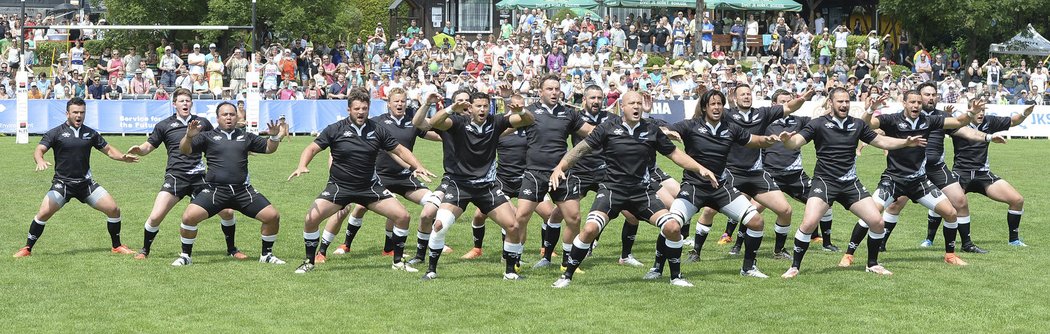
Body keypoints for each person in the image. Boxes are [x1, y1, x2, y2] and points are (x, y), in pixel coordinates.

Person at [549, 90, 716, 288]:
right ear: (623, 106)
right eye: (632, 103)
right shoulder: (608, 127)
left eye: (639, 103)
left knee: (673, 227)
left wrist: (700, 168)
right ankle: (566, 276)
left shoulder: (651, 129)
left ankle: (676, 277)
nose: (636, 106)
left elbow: (675, 154)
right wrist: (560, 167)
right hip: (612, 190)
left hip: (641, 192)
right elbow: (580, 149)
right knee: (590, 229)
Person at [778, 88, 926, 278]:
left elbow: (882, 142)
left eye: (847, 101)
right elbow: (795, 142)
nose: (844, 105)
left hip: (850, 184)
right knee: (808, 223)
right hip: (825, 182)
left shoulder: (857, 125)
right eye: (840, 101)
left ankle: (872, 264)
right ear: (830, 103)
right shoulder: (818, 124)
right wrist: (786, 141)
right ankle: (794, 267)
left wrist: (905, 142)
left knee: (877, 222)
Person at [288, 88, 435, 274]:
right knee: (311, 219)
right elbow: (311, 148)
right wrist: (302, 165)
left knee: (403, 216)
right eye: (357, 108)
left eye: (364, 108)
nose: (361, 112)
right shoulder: (335, 129)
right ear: (349, 109)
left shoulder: (377, 130)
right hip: (340, 187)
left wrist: (417, 166)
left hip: (369, 188)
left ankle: (398, 261)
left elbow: (400, 150)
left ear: (368, 108)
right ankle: (309, 261)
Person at [842, 90, 977, 268]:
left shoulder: (928, 121)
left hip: (919, 181)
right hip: (893, 180)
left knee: (951, 213)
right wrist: (870, 110)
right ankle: (849, 254)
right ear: (904, 103)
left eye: (919, 103)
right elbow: (866, 125)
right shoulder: (892, 120)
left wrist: (971, 113)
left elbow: (959, 122)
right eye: (912, 102)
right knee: (871, 215)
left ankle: (950, 255)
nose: (916, 106)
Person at [661, 90, 780, 279]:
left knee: (756, 221)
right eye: (712, 104)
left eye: (719, 104)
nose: (716, 108)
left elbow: (753, 140)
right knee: (672, 225)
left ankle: (748, 268)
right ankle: (658, 268)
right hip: (694, 187)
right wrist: (668, 132)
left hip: (721, 188)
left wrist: (769, 140)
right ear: (704, 107)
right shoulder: (691, 126)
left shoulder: (730, 128)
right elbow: (663, 127)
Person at [420, 91, 536, 281]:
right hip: (460, 185)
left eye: (485, 106)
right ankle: (431, 270)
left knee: (513, 226)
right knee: (439, 225)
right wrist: (450, 108)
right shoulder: (458, 123)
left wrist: (522, 111)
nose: (482, 109)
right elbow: (432, 123)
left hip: (486, 187)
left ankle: (510, 272)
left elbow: (528, 121)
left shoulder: (496, 122)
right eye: (478, 106)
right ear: (470, 108)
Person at [126, 88, 244, 260]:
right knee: (156, 216)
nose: (185, 104)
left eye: (187, 101)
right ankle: (145, 250)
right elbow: (148, 146)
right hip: (176, 177)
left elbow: (219, 141)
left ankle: (232, 249)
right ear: (174, 104)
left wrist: (240, 149)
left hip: (200, 177)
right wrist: (139, 150)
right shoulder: (164, 125)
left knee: (227, 212)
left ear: (191, 103)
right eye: (181, 101)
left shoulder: (202, 122)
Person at [14, 98, 140, 258]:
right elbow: (39, 150)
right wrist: (39, 160)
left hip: (86, 184)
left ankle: (117, 246)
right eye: (75, 112)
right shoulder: (55, 133)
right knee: (43, 213)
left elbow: (108, 150)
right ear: (67, 113)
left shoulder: (90, 133)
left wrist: (123, 157)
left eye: (82, 112)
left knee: (114, 210)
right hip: (63, 184)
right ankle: (27, 248)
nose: (79, 115)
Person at [884, 83, 1001, 253]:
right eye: (926, 94)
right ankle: (881, 243)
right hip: (910, 170)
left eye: (934, 94)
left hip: (936, 168)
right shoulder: (902, 117)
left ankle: (967, 244)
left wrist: (988, 137)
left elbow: (965, 131)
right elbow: (881, 134)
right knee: (895, 205)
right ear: (917, 97)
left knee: (960, 201)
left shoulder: (942, 117)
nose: (930, 98)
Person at [704, 85, 813, 261]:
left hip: (757, 173)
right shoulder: (726, 115)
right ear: (735, 98)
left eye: (749, 94)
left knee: (784, 210)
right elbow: (707, 114)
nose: (746, 97)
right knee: (710, 210)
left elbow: (790, 107)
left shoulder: (762, 114)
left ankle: (778, 250)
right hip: (732, 171)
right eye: (743, 94)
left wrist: (802, 98)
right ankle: (696, 250)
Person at [170, 102, 284, 266]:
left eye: (232, 114)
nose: (229, 117)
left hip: (242, 191)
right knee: (189, 217)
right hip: (215, 191)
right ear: (217, 118)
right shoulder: (207, 136)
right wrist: (188, 136)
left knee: (272, 216)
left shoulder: (246, 136)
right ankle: (185, 256)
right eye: (225, 114)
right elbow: (184, 150)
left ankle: (266, 255)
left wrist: (273, 137)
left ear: (237, 117)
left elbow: (268, 149)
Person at [464, 93, 562, 260]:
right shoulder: (499, 130)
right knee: (479, 215)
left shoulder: (531, 129)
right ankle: (477, 248)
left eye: (521, 107)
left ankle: (545, 249)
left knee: (549, 214)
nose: (518, 110)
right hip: (503, 181)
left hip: (527, 179)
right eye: (514, 107)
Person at [515, 75, 595, 272]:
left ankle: (568, 262)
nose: (554, 92)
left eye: (556, 89)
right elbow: (502, 128)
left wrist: (615, 132)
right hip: (534, 172)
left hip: (561, 172)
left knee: (574, 218)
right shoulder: (530, 113)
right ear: (540, 91)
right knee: (521, 217)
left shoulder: (569, 113)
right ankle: (515, 259)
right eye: (549, 89)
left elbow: (592, 132)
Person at [753, 90, 839, 254]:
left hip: (795, 176)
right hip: (771, 174)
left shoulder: (799, 121)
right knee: (752, 210)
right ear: (774, 104)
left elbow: (819, 120)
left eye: (788, 100)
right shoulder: (764, 122)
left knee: (824, 204)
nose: (786, 104)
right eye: (782, 101)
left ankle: (826, 243)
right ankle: (736, 243)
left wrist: (833, 104)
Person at [951, 103, 1031, 246]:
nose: (981, 113)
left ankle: (1014, 240)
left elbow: (1013, 121)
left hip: (983, 175)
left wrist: (1025, 114)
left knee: (1017, 200)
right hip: (960, 174)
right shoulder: (959, 123)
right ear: (970, 111)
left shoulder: (990, 121)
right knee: (942, 204)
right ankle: (929, 239)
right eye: (977, 111)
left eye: (983, 110)